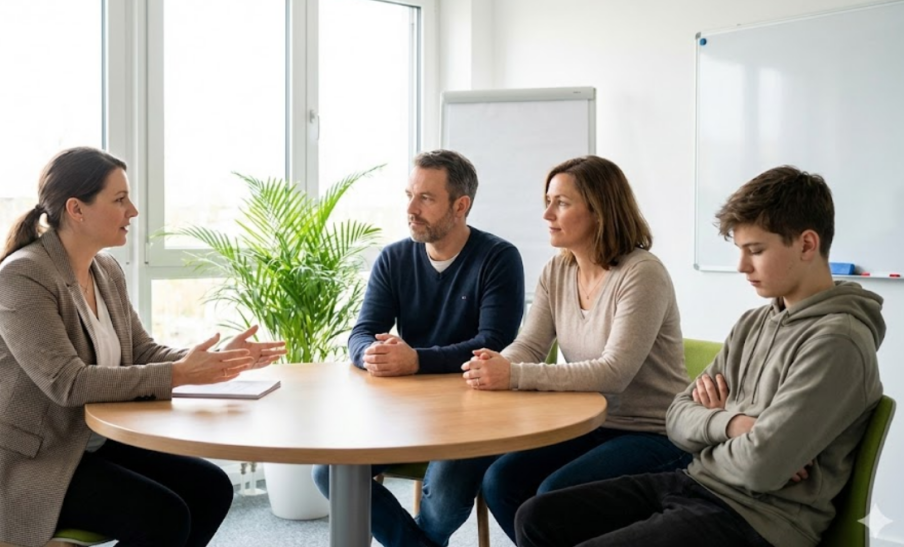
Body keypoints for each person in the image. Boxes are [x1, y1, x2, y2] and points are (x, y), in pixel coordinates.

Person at [513, 166, 885, 547]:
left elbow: (761, 468)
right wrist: (733, 424)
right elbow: (677, 416)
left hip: (759, 518)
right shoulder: (754, 322)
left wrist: (714, 432)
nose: (741, 266)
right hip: (696, 482)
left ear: (807, 245)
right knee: (536, 517)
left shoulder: (838, 342)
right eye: (740, 251)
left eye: (755, 251)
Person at [0, 147, 286, 547]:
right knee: (162, 517)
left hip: (85, 443)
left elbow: (141, 352)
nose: (134, 211)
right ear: (77, 209)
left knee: (211, 488)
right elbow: (67, 383)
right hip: (25, 460)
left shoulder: (105, 269)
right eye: (120, 200)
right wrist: (179, 374)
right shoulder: (23, 277)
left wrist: (217, 360)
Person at [462, 155, 691, 543]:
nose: (548, 214)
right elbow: (532, 344)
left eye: (562, 203)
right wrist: (497, 362)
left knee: (554, 494)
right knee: (500, 480)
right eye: (547, 201)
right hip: (590, 423)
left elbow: (614, 372)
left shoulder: (642, 274)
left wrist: (513, 375)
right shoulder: (558, 270)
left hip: (654, 434)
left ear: (600, 211)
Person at [312, 149, 525, 547]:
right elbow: (362, 332)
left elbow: (492, 343)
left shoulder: (498, 258)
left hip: (475, 413)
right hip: (405, 411)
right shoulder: (394, 258)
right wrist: (370, 355)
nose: (411, 208)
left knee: (443, 499)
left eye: (426, 198)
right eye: (409, 194)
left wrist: (415, 360)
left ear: (460, 206)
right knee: (328, 473)